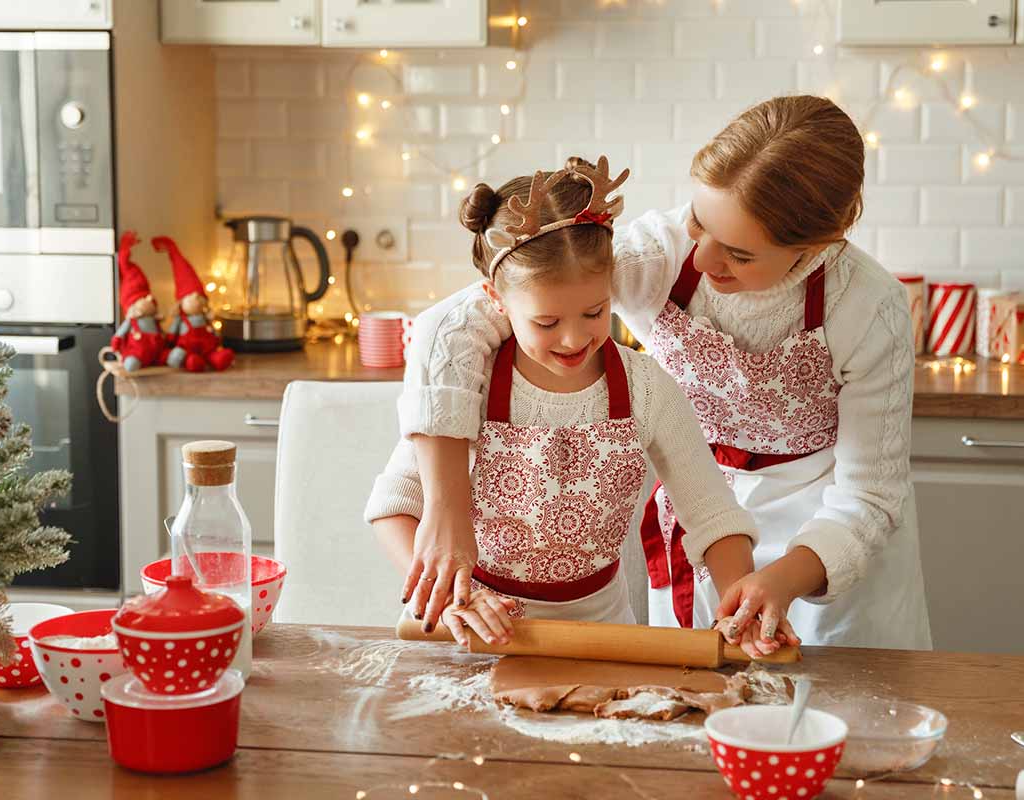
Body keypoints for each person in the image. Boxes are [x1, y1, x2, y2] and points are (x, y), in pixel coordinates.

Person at [395, 97, 931, 657]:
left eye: (740, 254)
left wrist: (783, 579)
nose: (700, 260)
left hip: (827, 542)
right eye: (699, 222)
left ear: (818, 242)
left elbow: (870, 495)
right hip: (706, 538)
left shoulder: (868, 306)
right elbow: (454, 320)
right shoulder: (658, 254)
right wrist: (446, 514)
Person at [364, 158, 760, 649]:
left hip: (604, 638)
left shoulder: (647, 389)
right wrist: (450, 596)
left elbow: (714, 515)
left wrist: (742, 602)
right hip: (477, 636)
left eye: (594, 313)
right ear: (497, 300)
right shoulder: (471, 384)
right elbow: (394, 506)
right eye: (547, 322)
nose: (574, 338)